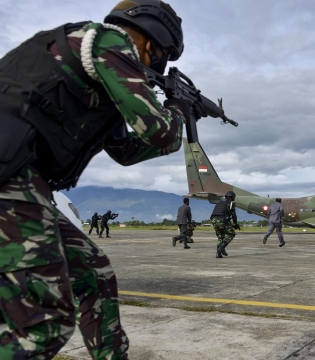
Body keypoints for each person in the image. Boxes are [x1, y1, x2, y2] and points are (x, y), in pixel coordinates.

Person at [0, 0, 185, 358]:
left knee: (94, 272)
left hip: (19, 179)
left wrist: (174, 116)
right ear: (152, 45)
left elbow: (126, 151)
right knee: (42, 322)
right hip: (10, 177)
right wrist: (177, 109)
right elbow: (161, 132)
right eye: (164, 55)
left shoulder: (99, 83)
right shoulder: (106, 42)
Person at [211, 191, 240, 258]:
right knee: (231, 233)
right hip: (222, 220)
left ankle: (218, 254)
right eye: (233, 197)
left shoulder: (219, 202)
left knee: (220, 237)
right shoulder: (230, 203)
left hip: (214, 220)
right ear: (231, 197)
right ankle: (221, 248)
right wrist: (235, 224)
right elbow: (234, 216)